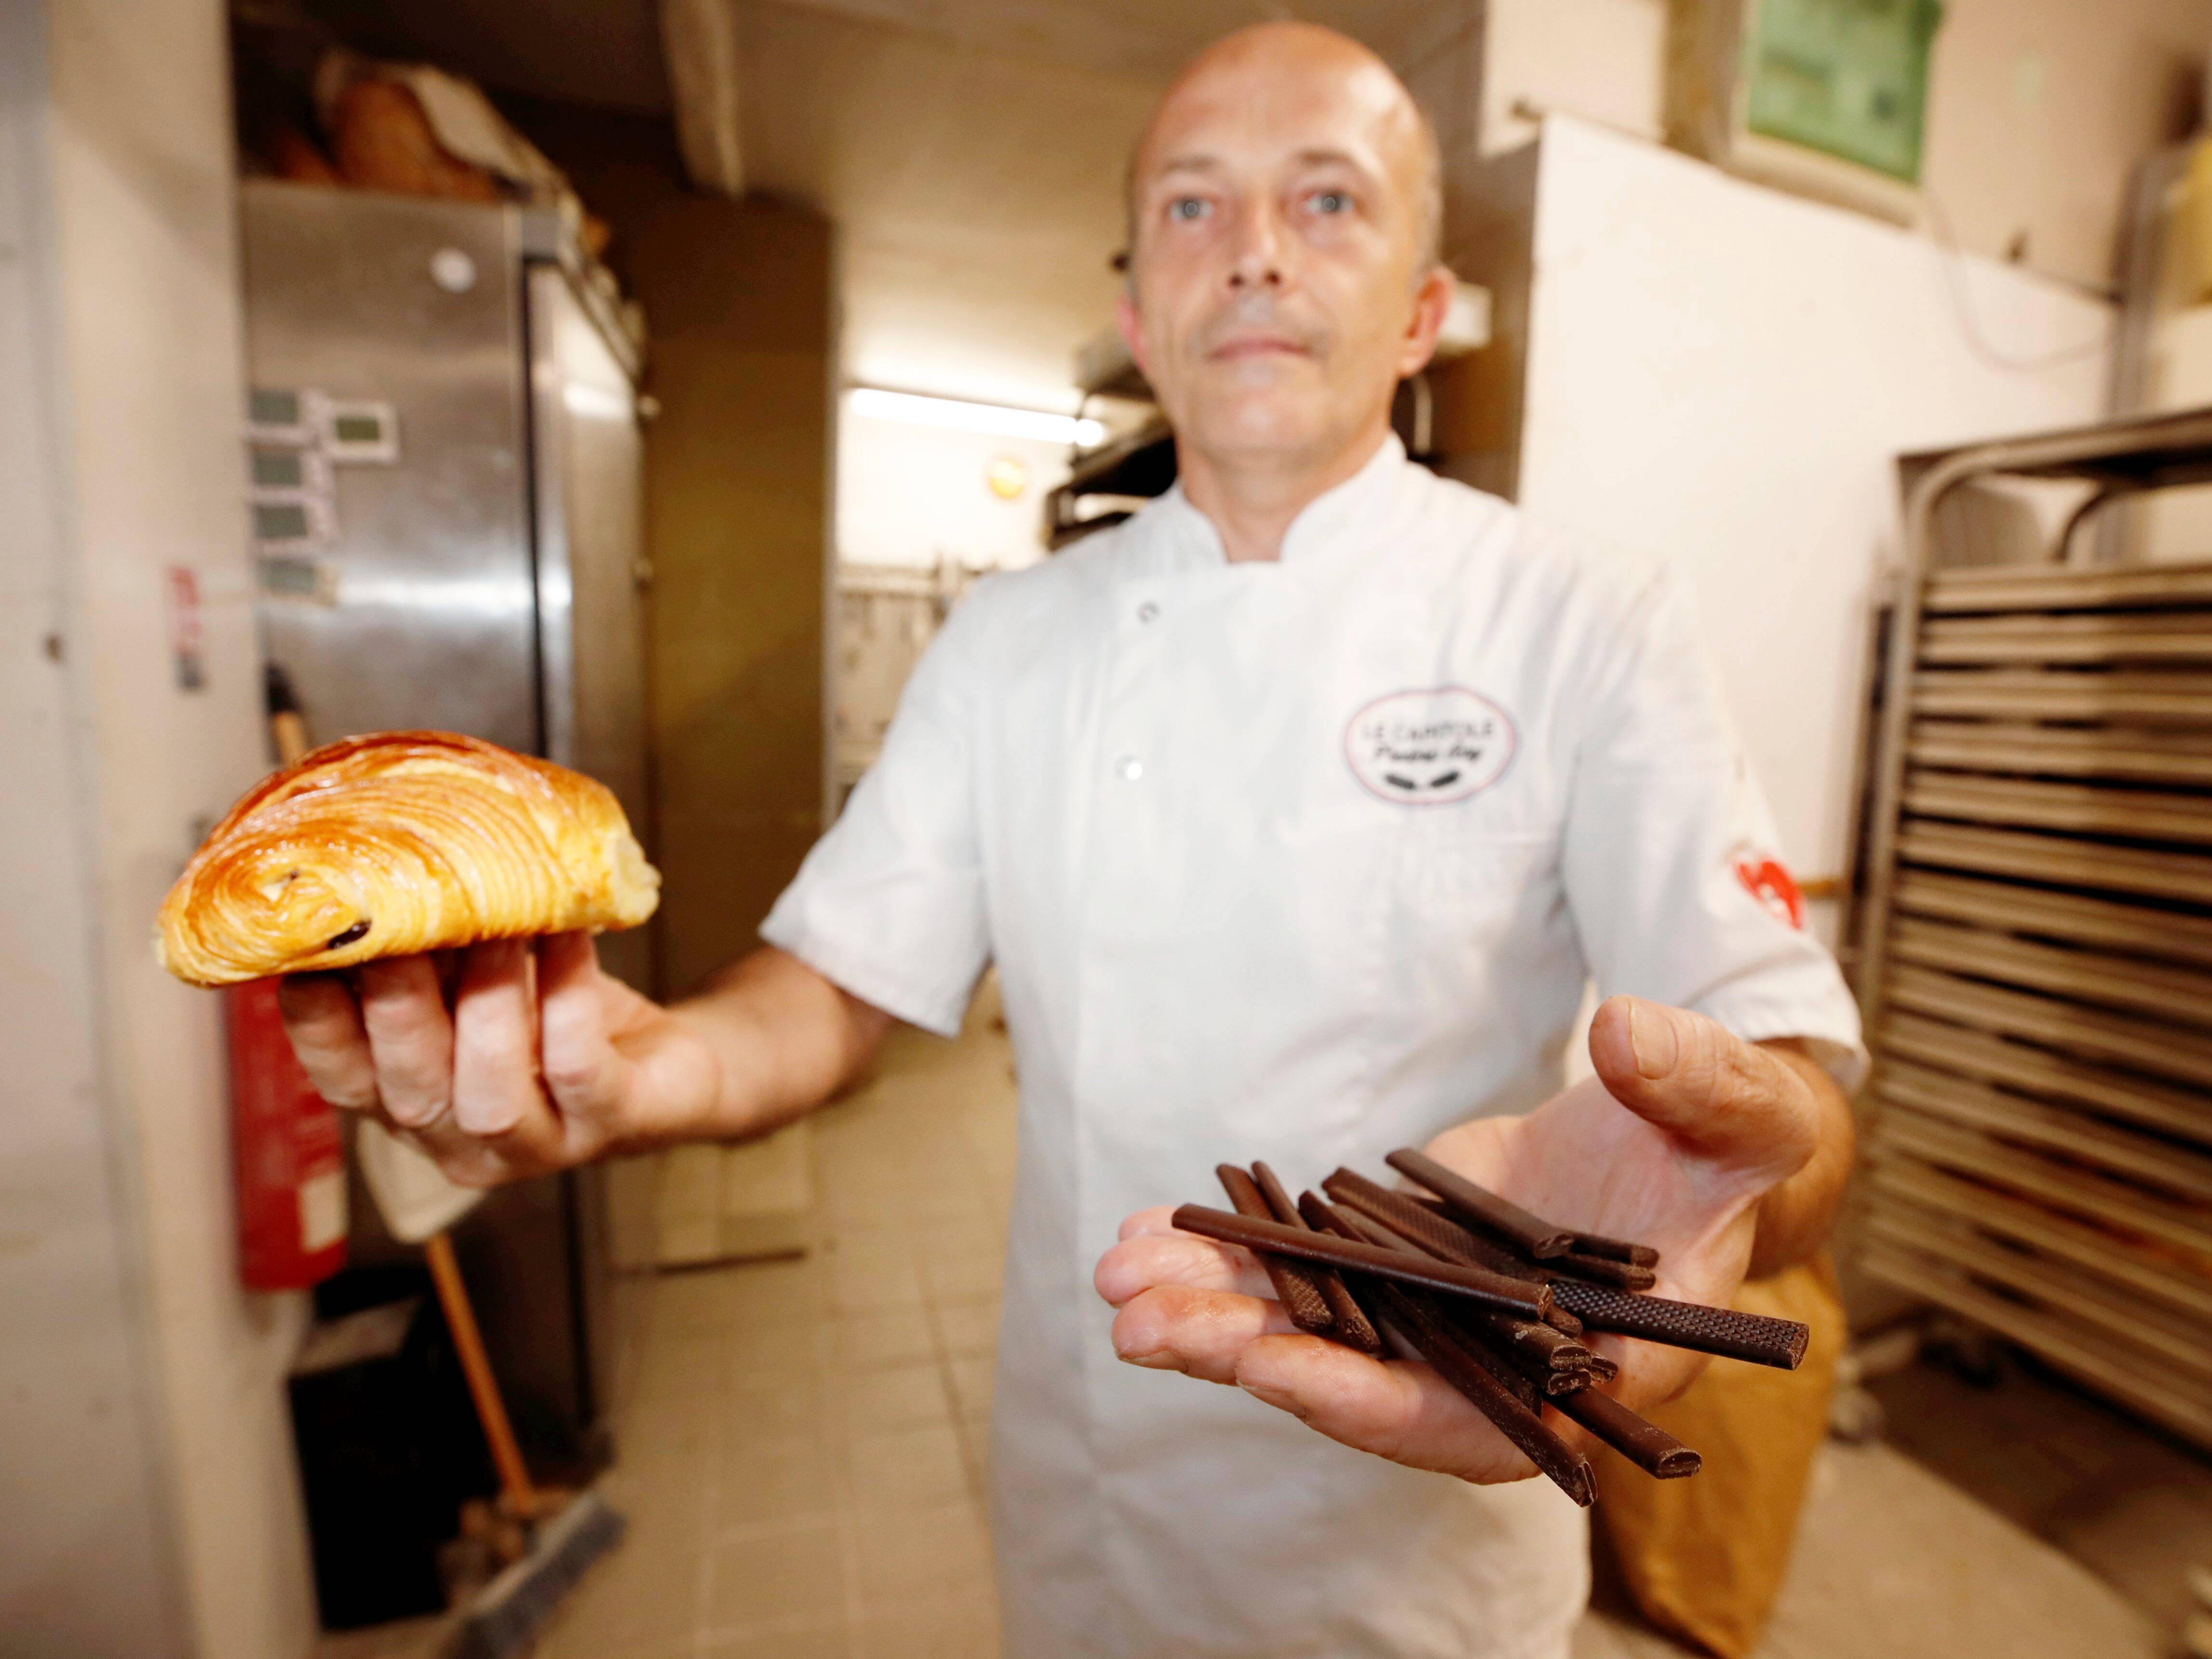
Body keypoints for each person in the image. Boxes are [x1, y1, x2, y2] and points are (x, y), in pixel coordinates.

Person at [279, 21, 1862, 1658]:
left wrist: (1727, 1186)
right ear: (1134, 313)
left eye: (1324, 200)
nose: (1250, 250)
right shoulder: (1009, 639)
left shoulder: (1591, 622)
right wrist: (646, 1068)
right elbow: (831, 985)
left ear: (1422, 310)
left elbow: (1782, 1049)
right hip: (1092, 1497)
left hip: (1427, 1550)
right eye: (1192, 205)